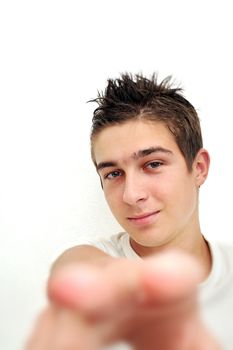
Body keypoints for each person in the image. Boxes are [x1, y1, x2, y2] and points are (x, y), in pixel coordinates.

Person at [25, 73, 233, 350]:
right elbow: (75, 264)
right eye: (113, 174)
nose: (132, 195)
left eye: (153, 164)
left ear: (199, 168)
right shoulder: (93, 265)